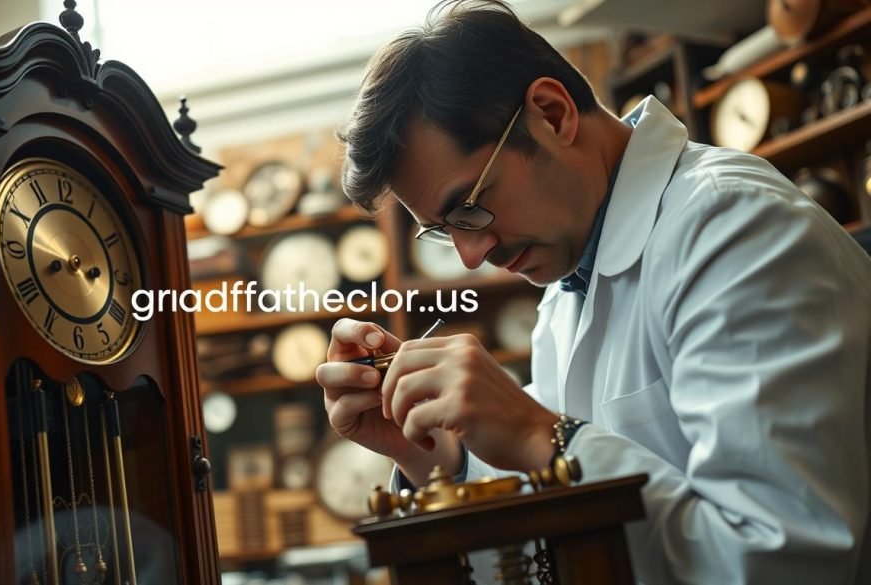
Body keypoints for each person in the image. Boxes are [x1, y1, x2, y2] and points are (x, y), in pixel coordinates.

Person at [314, 1, 871, 583]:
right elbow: (546, 545)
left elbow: (785, 561)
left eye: (469, 208)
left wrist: (539, 433)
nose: (472, 256)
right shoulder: (564, 295)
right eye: (443, 229)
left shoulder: (734, 227)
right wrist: (432, 455)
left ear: (552, 115)